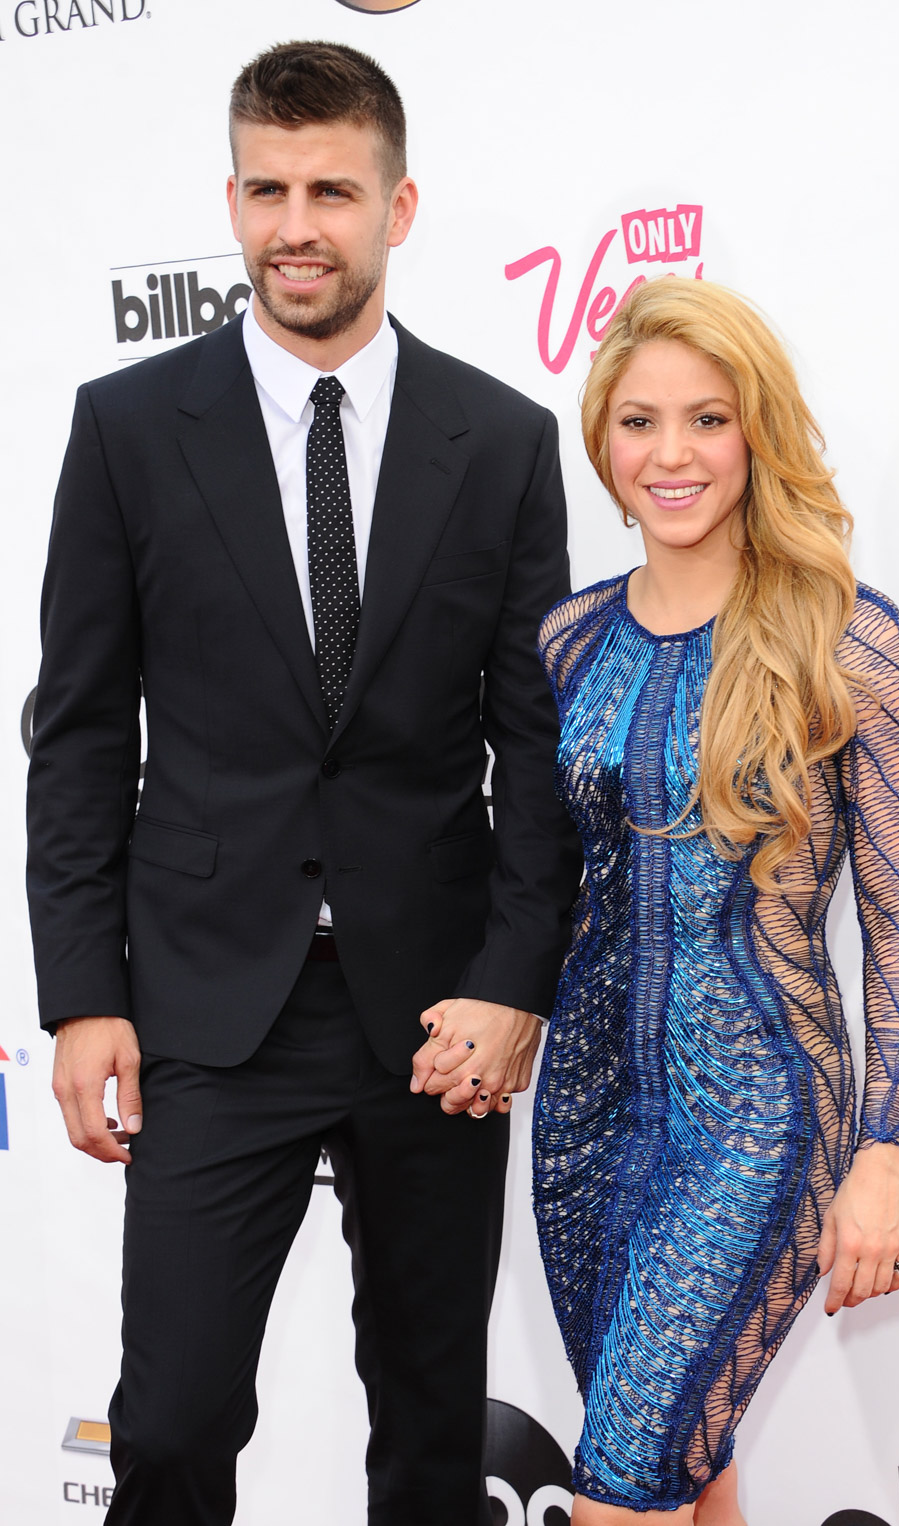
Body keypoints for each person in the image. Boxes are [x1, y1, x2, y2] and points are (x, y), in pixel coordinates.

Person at [26, 40, 580, 1526]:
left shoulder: (505, 443)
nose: (296, 225)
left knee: (427, 1423)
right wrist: (83, 992)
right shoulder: (130, 429)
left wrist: (514, 977)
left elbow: (533, 745)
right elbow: (77, 731)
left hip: (435, 1008)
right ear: (230, 196)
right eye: (267, 188)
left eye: (332, 189)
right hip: (208, 1007)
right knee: (176, 1414)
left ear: (398, 207)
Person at [533, 277, 899, 1524]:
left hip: (756, 1118)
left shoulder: (845, 639)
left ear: (755, 431)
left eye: (707, 418)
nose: (671, 454)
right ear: (602, 438)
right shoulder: (570, 636)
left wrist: (883, 1147)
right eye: (639, 421)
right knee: (686, 1471)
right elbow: (557, 886)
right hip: (585, 1119)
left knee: (618, 1486)